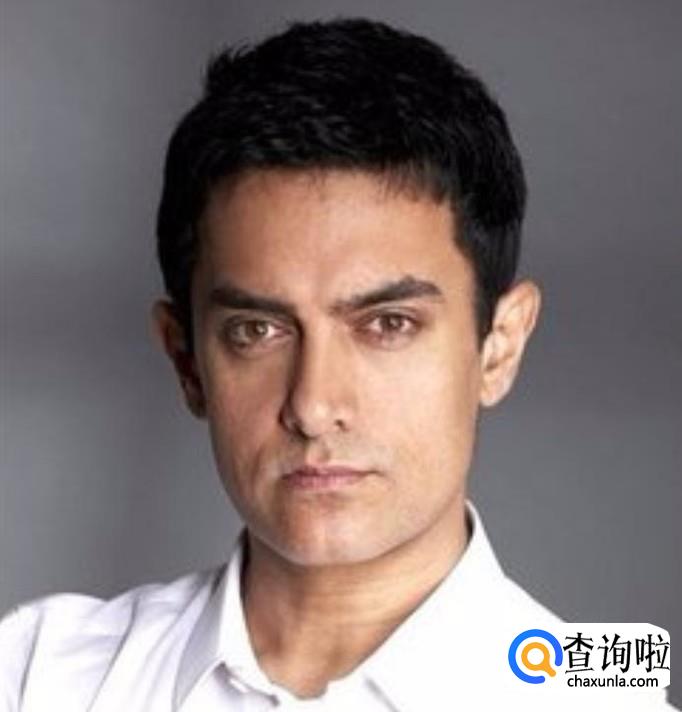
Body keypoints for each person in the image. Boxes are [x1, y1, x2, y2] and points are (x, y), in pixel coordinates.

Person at [0, 17, 675, 712]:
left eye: (388, 324)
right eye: (257, 330)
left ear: (499, 345)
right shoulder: (38, 677)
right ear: (186, 360)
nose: (314, 406)